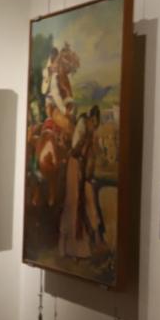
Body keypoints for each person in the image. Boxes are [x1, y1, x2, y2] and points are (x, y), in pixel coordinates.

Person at [59, 105, 101, 259]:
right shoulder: (84, 124)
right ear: (93, 118)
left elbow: (89, 152)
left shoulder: (89, 128)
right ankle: (70, 247)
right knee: (74, 202)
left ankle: (82, 245)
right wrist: (80, 161)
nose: (95, 124)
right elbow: (77, 148)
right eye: (95, 120)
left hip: (81, 167)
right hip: (76, 166)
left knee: (82, 203)